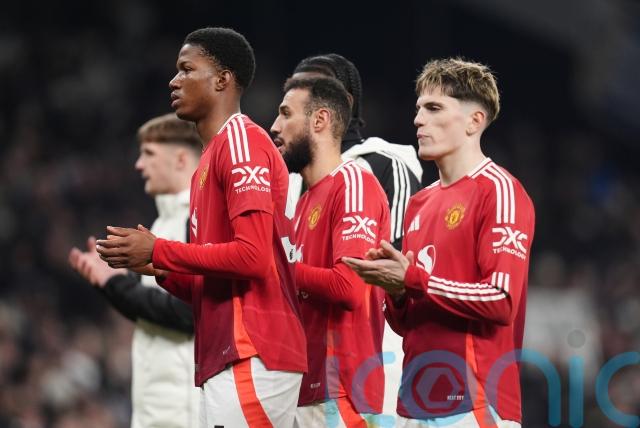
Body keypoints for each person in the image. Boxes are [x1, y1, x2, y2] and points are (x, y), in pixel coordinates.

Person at [96, 27, 307, 427]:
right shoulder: (206, 165)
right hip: (227, 353)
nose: (174, 81)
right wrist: (160, 268)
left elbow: (253, 257)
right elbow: (212, 283)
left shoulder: (241, 143)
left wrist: (160, 250)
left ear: (223, 79)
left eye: (186, 69)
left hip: (254, 347)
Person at [343, 58, 535, 427]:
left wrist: (412, 279)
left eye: (434, 108)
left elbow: (501, 300)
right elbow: (408, 323)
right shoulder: (419, 203)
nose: (418, 120)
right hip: (413, 403)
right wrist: (396, 293)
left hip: (475, 403)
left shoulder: (500, 191)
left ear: (474, 121)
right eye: (418, 109)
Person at [290, 53, 422, 419]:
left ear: (340, 102)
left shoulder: (382, 161)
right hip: (305, 362)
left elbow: (393, 265)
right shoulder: (295, 180)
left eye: (311, 89)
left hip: (370, 353)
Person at [270, 76, 391, 427]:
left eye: (286, 114)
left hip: (341, 391)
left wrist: (275, 268)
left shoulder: (354, 183)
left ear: (319, 120)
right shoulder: (303, 203)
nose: (275, 126)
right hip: (304, 387)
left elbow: (348, 286)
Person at [68, 113, 201, 428]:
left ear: (181, 159)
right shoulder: (163, 224)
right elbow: (157, 310)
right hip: (163, 405)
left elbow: (191, 312)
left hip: (186, 407)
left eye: (149, 154)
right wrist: (111, 284)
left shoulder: (197, 220)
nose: (139, 165)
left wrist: (116, 284)